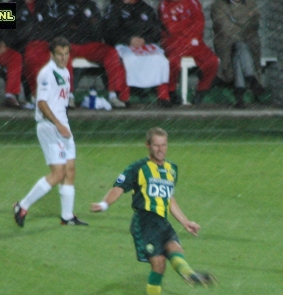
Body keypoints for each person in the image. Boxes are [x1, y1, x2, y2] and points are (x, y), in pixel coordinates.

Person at [90, 127, 216, 295]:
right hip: (144, 222)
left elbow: (169, 198)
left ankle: (190, 274)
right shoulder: (138, 167)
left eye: (163, 145)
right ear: (147, 145)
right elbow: (119, 188)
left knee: (176, 249)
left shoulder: (172, 169)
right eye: (156, 145)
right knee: (159, 265)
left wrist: (185, 221)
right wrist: (105, 204)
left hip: (162, 222)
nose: (160, 149)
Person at [13, 37, 87, 227]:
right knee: (58, 174)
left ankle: (67, 217)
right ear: (51, 55)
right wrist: (58, 124)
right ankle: (22, 205)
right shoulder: (47, 73)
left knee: (70, 171)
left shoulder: (65, 72)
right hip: (50, 127)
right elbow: (42, 103)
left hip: (63, 126)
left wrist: (64, 124)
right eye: (59, 55)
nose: (63, 58)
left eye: (66, 54)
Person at [103, 0, 171, 107]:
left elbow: (157, 30)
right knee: (128, 59)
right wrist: (128, 40)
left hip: (145, 43)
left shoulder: (146, 9)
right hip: (124, 44)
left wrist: (145, 39)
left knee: (161, 59)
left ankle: (163, 96)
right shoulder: (115, 7)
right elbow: (109, 31)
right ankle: (124, 97)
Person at [64, 0, 129, 108]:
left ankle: (113, 95)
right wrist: (87, 23)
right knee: (63, 55)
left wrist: (79, 26)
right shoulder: (64, 4)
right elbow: (65, 27)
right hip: (71, 44)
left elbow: (98, 27)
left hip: (91, 44)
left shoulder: (91, 4)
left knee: (111, 53)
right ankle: (68, 95)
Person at [159, 0, 220, 105]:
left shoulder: (192, 2)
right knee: (172, 62)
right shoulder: (164, 4)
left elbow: (200, 23)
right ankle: (171, 90)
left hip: (193, 41)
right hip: (175, 42)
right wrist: (189, 23)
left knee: (213, 61)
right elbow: (171, 28)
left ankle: (201, 90)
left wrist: (182, 28)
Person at [211, 0, 265, 108]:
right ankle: (250, 79)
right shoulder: (218, 5)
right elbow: (224, 27)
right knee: (239, 47)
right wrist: (243, 25)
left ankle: (239, 93)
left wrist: (236, 23)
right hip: (226, 43)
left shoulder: (250, 3)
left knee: (240, 51)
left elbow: (255, 23)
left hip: (248, 42)